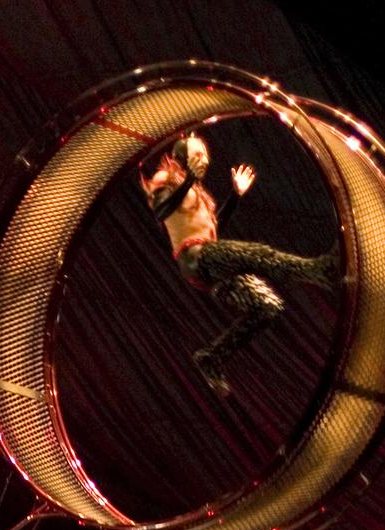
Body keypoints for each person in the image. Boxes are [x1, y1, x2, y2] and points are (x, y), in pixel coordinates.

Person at [140, 132, 338, 399]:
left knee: (268, 307)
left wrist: (235, 196)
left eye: (205, 156)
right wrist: (187, 180)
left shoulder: (197, 192)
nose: (204, 161)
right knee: (257, 254)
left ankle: (211, 358)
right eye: (197, 155)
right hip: (195, 259)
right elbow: (160, 212)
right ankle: (317, 269)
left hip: (211, 261)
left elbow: (213, 233)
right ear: (181, 157)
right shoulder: (166, 178)